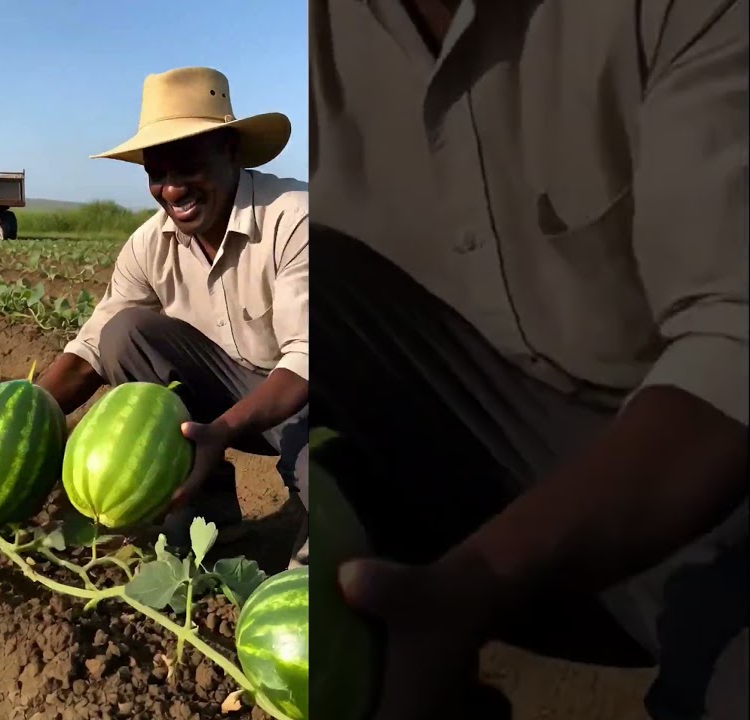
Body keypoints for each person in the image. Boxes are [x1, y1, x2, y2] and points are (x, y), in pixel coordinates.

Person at [311, 1, 747, 719]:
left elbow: (737, 335)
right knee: (318, 285)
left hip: (699, 462)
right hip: (476, 429)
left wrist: (476, 583)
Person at [34, 67, 310, 559]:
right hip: (235, 394)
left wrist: (222, 430)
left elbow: (311, 358)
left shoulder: (295, 216)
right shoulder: (149, 244)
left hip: (322, 398)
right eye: (156, 173)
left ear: (229, 150)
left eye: (187, 166)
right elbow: (92, 350)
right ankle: (213, 525)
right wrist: (24, 420)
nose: (171, 189)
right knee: (126, 334)